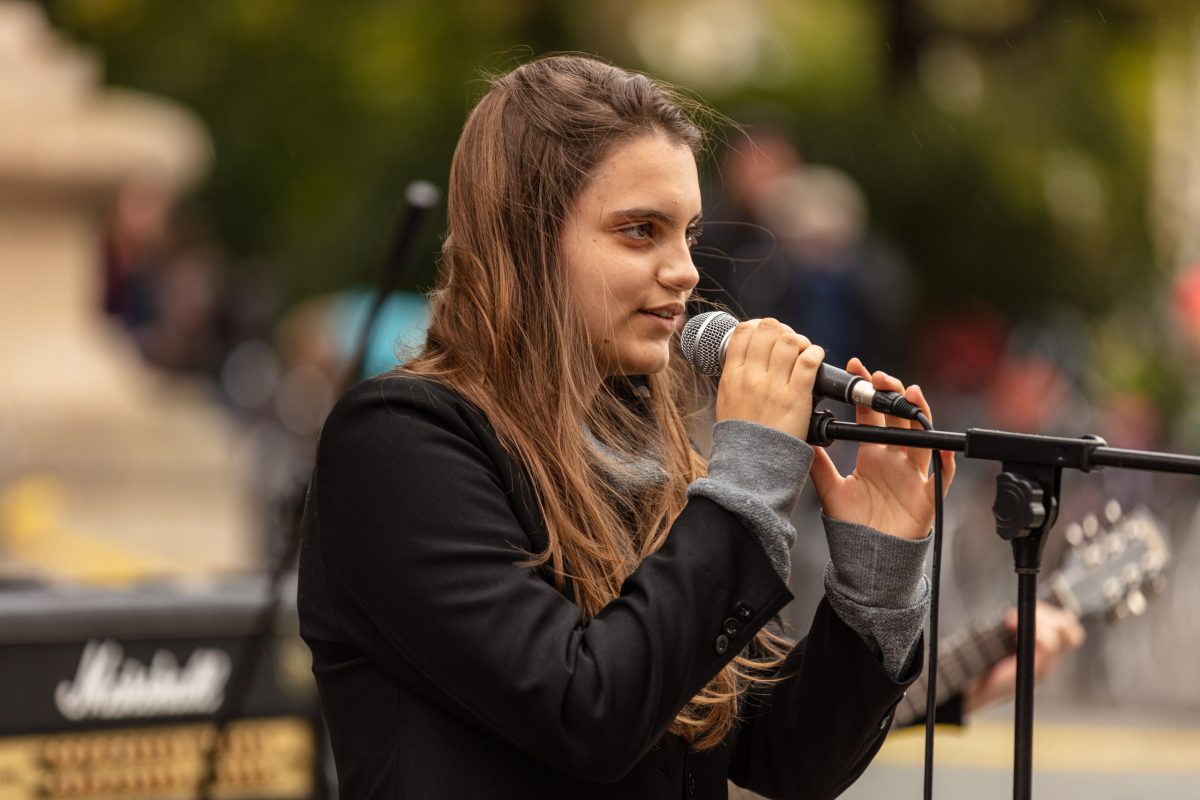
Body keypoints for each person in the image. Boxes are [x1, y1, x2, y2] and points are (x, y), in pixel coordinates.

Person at [297, 54, 956, 799]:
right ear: (528, 239)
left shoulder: (636, 444)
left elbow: (781, 755)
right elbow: (587, 710)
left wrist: (877, 568)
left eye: (687, 233)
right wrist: (747, 478)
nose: (683, 269)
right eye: (641, 231)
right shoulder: (397, 442)